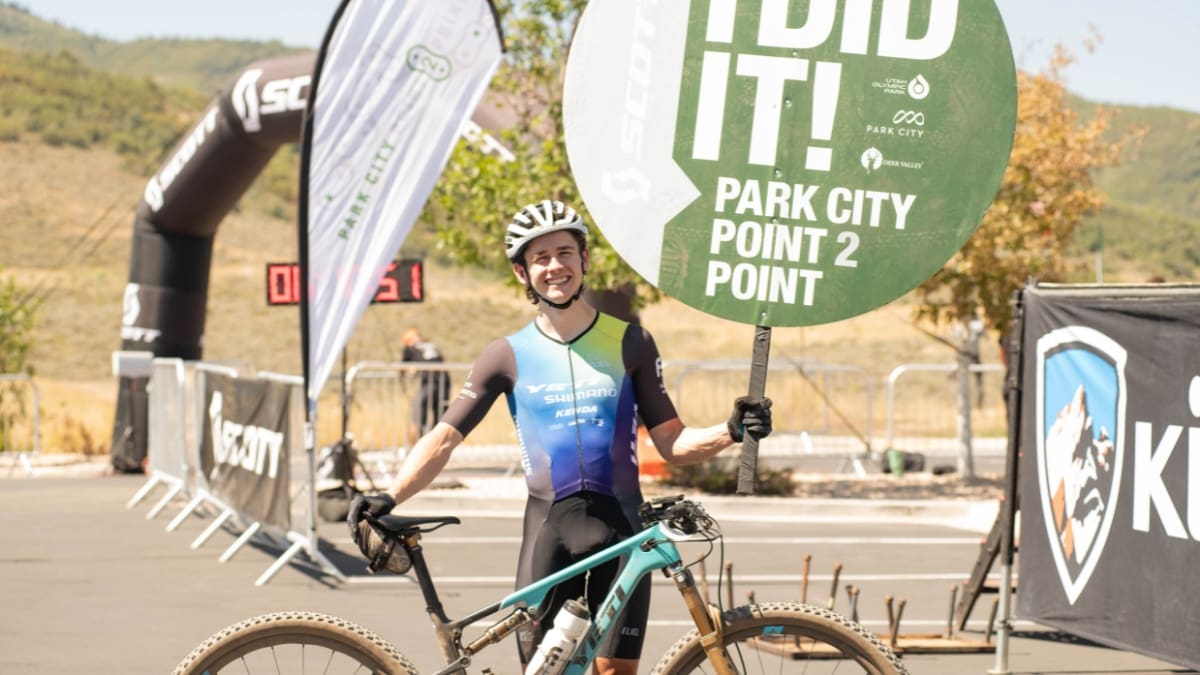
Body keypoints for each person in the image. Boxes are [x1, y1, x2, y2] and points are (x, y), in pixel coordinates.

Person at [350, 199, 772, 675]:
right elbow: (444, 437)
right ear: (521, 272)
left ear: (584, 260)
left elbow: (672, 441)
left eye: (565, 253)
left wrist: (731, 430)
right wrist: (389, 494)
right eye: (540, 257)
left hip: (622, 531)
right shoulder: (505, 355)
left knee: (614, 672)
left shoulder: (631, 341)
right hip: (549, 533)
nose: (555, 266)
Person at [400, 327, 452, 448]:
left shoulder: (410, 348)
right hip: (444, 383)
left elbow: (402, 367)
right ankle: (436, 447)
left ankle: (415, 449)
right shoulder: (431, 345)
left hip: (429, 383)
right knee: (441, 420)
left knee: (417, 421)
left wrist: (406, 372)